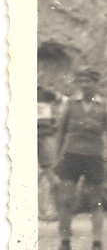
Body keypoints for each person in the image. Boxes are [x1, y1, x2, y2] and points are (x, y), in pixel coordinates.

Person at [51, 69, 107, 250]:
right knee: (66, 200)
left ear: (96, 84)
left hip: (94, 156)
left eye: (88, 81)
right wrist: (57, 158)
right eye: (81, 81)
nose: (84, 85)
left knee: (96, 200)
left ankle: (97, 244)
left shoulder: (105, 105)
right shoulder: (69, 104)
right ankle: (64, 243)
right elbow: (60, 132)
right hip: (71, 156)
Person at [37, 85, 60, 222]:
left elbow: (61, 100)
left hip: (45, 136)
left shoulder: (45, 93)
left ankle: (53, 210)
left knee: (51, 173)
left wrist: (55, 119)